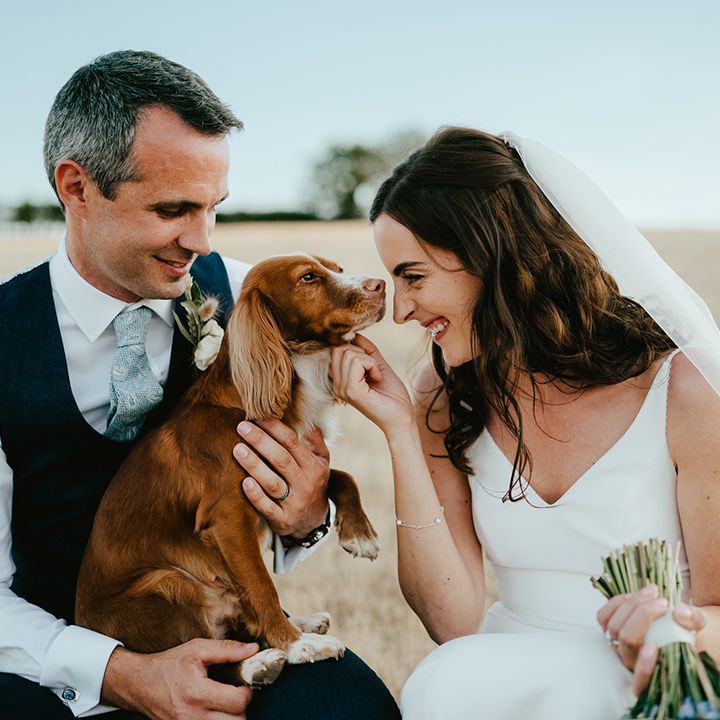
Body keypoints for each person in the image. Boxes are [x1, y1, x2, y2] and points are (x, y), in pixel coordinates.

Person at [0, 50, 399, 720]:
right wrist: (120, 673)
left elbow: (278, 494)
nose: (203, 241)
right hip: (42, 668)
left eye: (214, 208)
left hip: (220, 629)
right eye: (173, 209)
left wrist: (306, 518)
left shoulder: (253, 298)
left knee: (350, 708)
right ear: (76, 188)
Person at [330, 126, 720, 718]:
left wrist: (674, 629)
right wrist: (401, 431)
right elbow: (452, 621)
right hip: (504, 678)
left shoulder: (683, 389)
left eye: (414, 276)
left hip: (645, 681)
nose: (401, 310)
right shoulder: (443, 396)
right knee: (442, 682)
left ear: (491, 256)